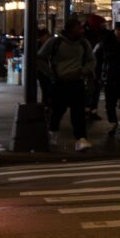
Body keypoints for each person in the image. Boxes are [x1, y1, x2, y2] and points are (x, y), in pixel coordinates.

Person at [36, 19, 95, 151]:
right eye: (78, 28)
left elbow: (91, 60)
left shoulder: (84, 43)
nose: (81, 30)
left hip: (77, 81)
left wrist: (83, 72)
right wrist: (51, 74)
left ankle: (81, 139)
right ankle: (53, 131)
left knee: (78, 112)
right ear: (70, 29)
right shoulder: (55, 42)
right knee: (57, 110)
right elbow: (40, 58)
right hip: (59, 82)